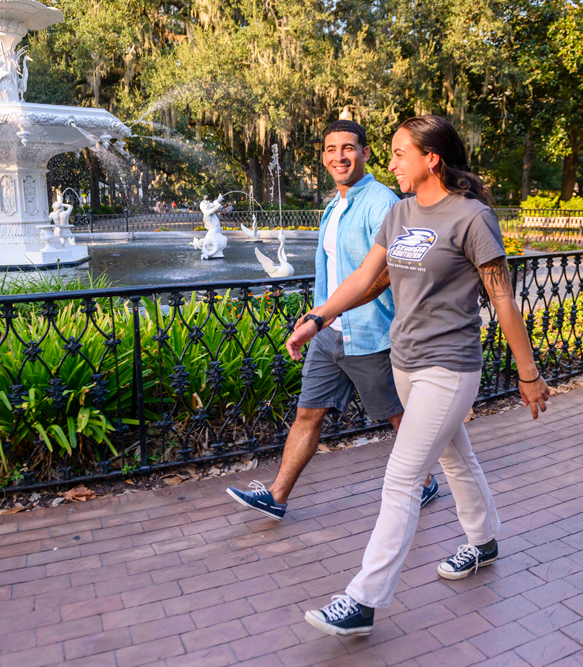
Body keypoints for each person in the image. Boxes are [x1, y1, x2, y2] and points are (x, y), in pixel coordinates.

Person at [290, 115, 549, 637]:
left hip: (449, 367)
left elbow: (501, 296)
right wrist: (320, 317)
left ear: (432, 158)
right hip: (405, 361)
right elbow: (367, 277)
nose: (390, 164)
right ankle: (484, 541)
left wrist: (528, 372)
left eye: (399, 154)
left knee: (402, 479)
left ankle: (362, 600)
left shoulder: (472, 218)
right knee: (457, 458)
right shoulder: (402, 212)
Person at [226, 119, 438, 521]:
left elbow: (387, 272)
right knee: (309, 411)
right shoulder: (334, 205)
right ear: (323, 157)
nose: (339, 156)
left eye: (348, 148)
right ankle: (277, 496)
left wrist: (327, 316)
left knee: (397, 416)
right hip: (328, 334)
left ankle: (426, 481)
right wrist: (318, 318)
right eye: (330, 149)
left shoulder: (383, 203)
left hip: (370, 333)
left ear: (365, 153)